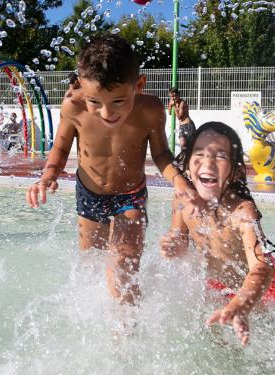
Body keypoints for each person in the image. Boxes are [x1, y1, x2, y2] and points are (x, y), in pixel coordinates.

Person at [25, 35, 204, 305]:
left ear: (138, 86)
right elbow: (60, 149)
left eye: (118, 101)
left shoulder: (149, 110)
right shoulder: (73, 106)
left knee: (123, 265)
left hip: (129, 196)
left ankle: (127, 330)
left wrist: (178, 180)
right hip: (89, 194)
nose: (106, 112)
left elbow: (161, 154)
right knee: (91, 266)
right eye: (94, 101)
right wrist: (48, 177)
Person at [160, 122, 275, 346]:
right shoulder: (182, 199)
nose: (207, 162)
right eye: (199, 153)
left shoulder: (242, 212)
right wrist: (173, 246)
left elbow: (262, 268)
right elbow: (180, 241)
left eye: (220, 156)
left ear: (235, 172)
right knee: (211, 338)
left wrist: (241, 305)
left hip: (257, 287)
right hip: (218, 284)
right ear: (187, 164)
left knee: (256, 339)